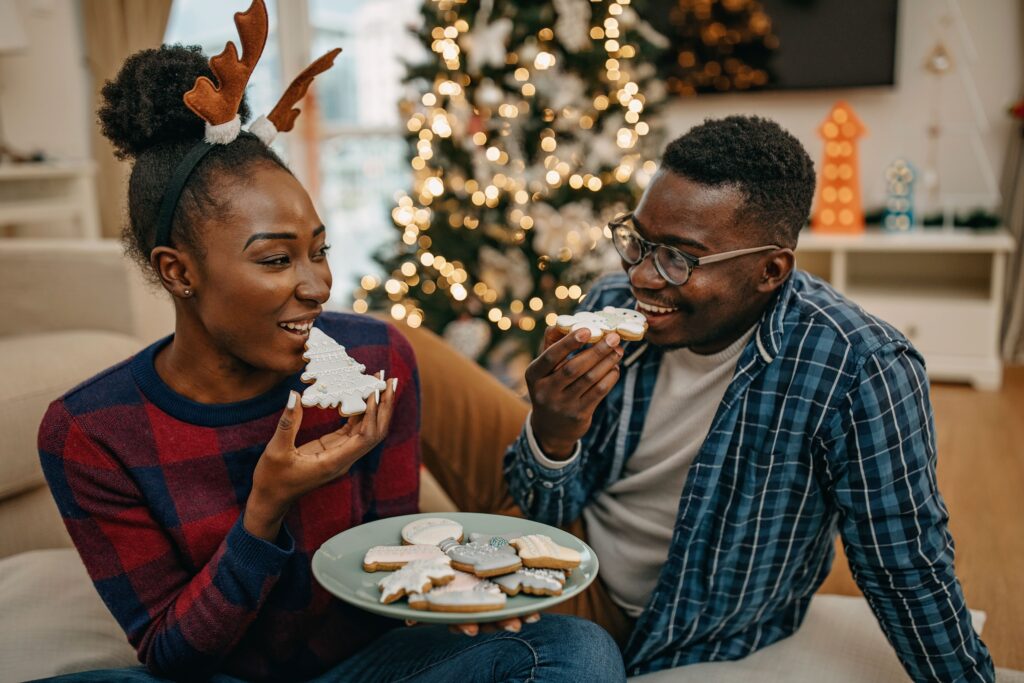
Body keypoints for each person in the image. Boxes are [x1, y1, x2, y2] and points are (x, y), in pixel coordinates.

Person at [34, 36, 624, 683]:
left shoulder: (376, 356)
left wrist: (456, 592)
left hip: (368, 667)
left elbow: (390, 573)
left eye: (319, 250)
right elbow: (175, 655)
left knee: (575, 650)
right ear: (178, 272)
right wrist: (267, 506)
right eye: (276, 259)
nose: (317, 284)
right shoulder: (91, 431)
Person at [501, 115, 995, 681]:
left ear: (770, 270)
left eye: (679, 258)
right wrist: (553, 432)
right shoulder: (611, 301)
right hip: (570, 553)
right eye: (637, 241)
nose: (641, 276)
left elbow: (903, 562)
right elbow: (543, 510)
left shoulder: (858, 367)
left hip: (667, 624)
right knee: (406, 348)